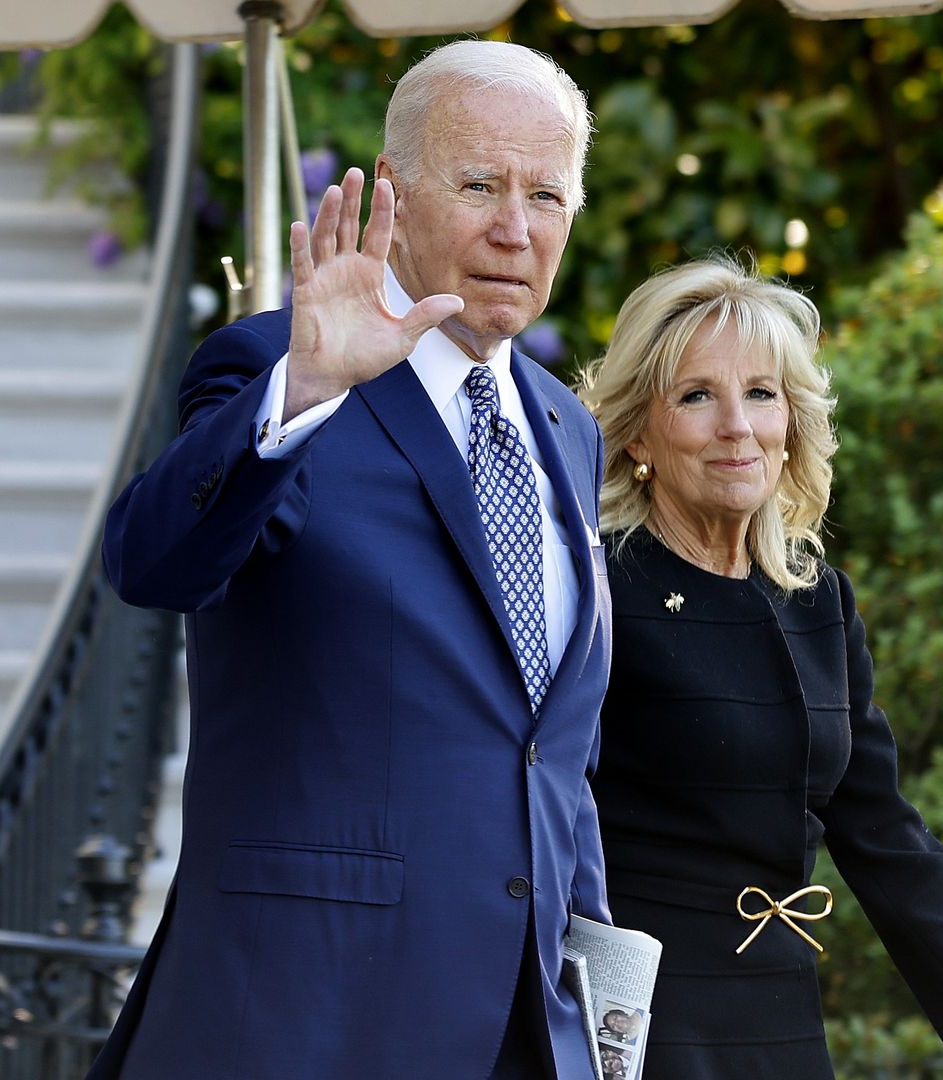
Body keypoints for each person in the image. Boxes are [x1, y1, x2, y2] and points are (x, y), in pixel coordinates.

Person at [88, 40, 612, 1080]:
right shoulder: (283, 371)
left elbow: (549, 749)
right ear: (398, 195)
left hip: (524, 1030)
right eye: (479, 185)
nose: (516, 228)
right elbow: (152, 565)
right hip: (307, 1019)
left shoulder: (566, 425)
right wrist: (305, 387)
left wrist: (595, 990)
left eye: (546, 195)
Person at [579, 258, 943, 1080]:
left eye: (763, 394)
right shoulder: (594, 589)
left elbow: (889, 840)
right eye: (698, 395)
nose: (738, 425)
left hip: (781, 1025)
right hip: (633, 1028)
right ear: (640, 429)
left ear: (792, 423)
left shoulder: (815, 603)